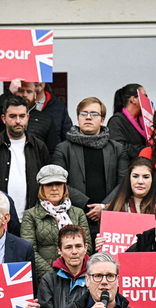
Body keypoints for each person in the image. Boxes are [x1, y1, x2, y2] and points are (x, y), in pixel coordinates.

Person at [51, 96, 128, 237]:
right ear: (78, 118)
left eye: (94, 114)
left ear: (102, 120)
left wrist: (104, 207)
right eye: (83, 113)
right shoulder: (63, 148)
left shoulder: (117, 149)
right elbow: (58, 183)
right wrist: (88, 205)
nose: (88, 117)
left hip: (109, 217)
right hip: (74, 216)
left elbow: (123, 182)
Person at [21, 165, 92, 282]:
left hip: (78, 276)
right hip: (45, 279)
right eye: (49, 184)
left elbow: (86, 246)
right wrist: (52, 275)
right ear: (41, 188)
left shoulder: (78, 213)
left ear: (64, 186)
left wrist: (73, 270)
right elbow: (29, 250)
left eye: (58, 184)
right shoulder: (30, 215)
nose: (54, 188)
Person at [0, 95, 50, 221]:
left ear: (28, 117)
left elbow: (46, 183)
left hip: (32, 219)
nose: (18, 121)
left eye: (22, 116)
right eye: (13, 116)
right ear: (4, 119)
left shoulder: (39, 146)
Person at [0, 79, 59, 154]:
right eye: (21, 91)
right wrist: (9, 93)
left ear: (35, 95)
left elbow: (52, 151)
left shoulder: (46, 119)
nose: (24, 95)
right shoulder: (6, 116)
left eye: (29, 91)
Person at [108, 83, 148, 160]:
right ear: (133, 100)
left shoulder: (146, 121)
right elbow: (119, 148)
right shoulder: (116, 121)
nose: (148, 100)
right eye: (145, 96)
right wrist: (147, 151)